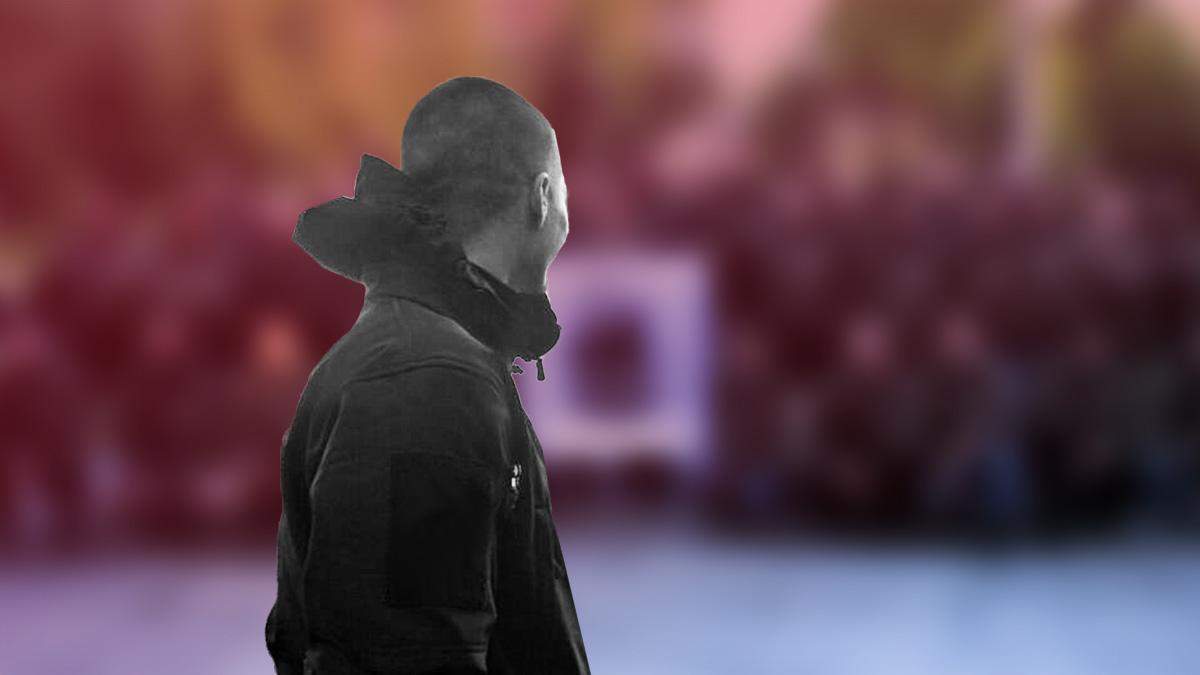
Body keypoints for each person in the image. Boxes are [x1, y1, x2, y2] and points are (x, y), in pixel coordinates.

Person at [266, 77, 589, 674]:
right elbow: (412, 657)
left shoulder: (427, 355)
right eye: (565, 186)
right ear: (542, 196)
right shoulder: (427, 380)